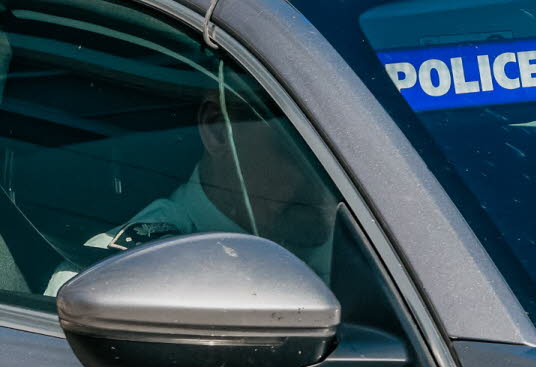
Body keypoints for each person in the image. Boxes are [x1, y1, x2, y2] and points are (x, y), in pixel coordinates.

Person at [44, 82, 339, 296]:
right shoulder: (109, 280)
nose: (332, 176)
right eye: (301, 148)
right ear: (218, 130)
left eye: (347, 154)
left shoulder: (369, 235)